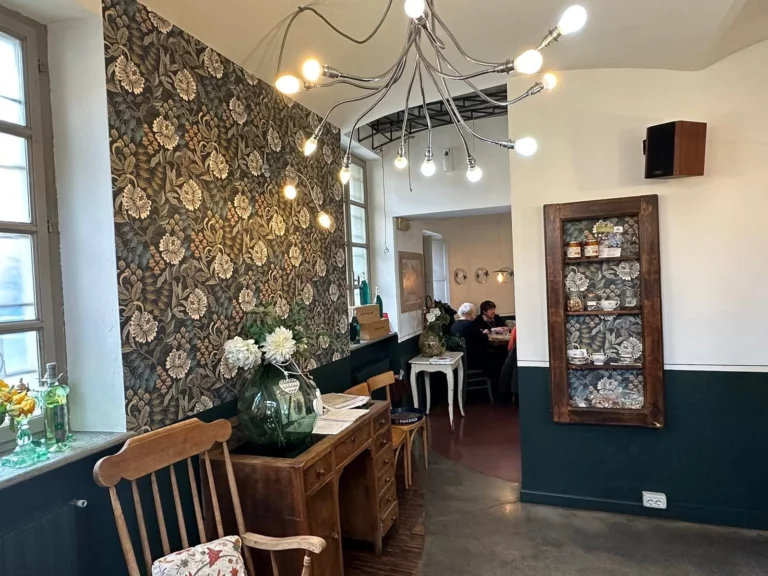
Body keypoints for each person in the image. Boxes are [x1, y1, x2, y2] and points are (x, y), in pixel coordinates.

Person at [450, 303, 488, 371]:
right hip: (471, 358)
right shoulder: (470, 324)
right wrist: (485, 333)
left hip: (458, 357)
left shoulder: (454, 324)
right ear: (471, 313)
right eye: (474, 313)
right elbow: (482, 338)